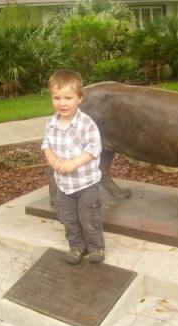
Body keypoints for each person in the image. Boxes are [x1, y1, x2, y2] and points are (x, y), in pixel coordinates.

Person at [41, 69, 105, 264]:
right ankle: (77, 247)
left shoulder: (86, 124)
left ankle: (96, 247)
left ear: (79, 98)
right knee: (69, 219)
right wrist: (52, 160)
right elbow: (46, 145)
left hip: (86, 184)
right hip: (64, 186)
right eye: (57, 97)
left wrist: (73, 164)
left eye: (68, 98)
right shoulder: (51, 124)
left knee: (89, 218)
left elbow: (94, 148)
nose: (62, 103)